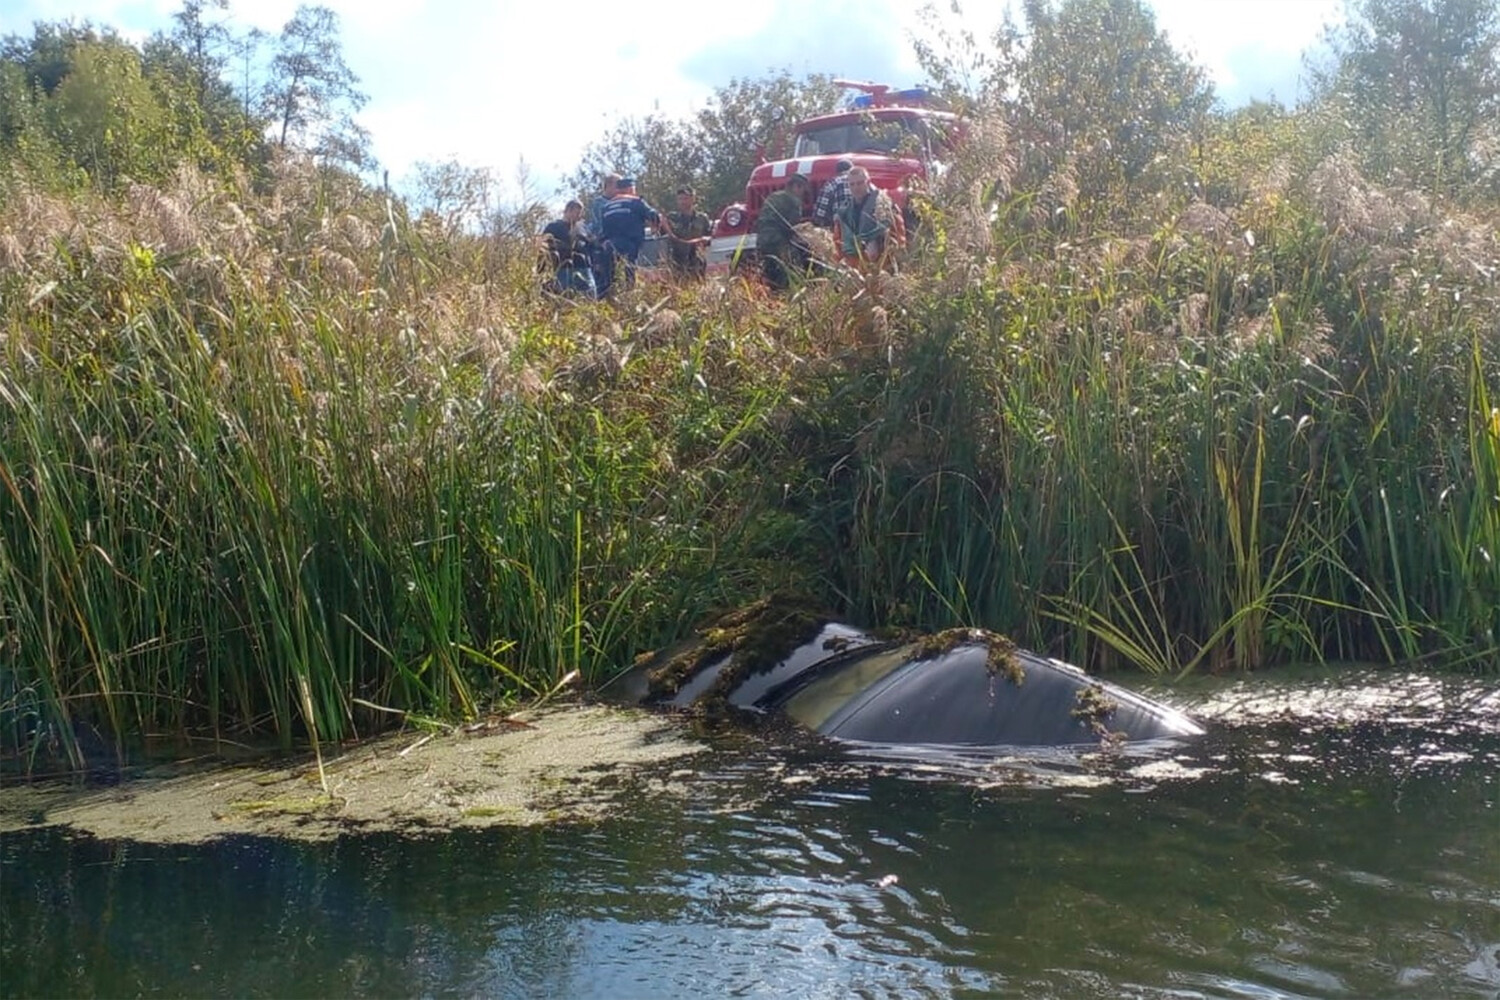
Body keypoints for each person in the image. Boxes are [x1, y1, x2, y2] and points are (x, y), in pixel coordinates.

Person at [597, 176, 665, 296]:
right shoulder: (635, 202)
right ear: (630, 189)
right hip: (629, 244)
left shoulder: (606, 207)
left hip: (609, 245)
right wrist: (657, 224)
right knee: (629, 273)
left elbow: (602, 230)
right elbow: (653, 216)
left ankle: (607, 301)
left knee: (609, 277)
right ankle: (630, 300)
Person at [836, 166, 903, 270]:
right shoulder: (845, 211)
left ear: (868, 182)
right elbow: (839, 239)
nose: (856, 187)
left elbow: (898, 232)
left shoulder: (883, 203)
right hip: (854, 265)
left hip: (881, 264)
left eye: (860, 183)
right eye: (852, 184)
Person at [755, 172, 810, 291]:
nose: (802, 193)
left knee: (769, 270)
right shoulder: (794, 201)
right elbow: (792, 227)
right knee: (793, 268)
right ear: (796, 186)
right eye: (802, 189)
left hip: (762, 239)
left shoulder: (774, 196)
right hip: (778, 240)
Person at [541, 200, 597, 298]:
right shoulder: (554, 227)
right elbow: (544, 247)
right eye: (577, 213)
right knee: (565, 297)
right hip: (563, 269)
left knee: (590, 296)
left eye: (580, 213)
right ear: (568, 211)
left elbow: (591, 244)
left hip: (584, 267)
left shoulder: (583, 227)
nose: (579, 216)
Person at [665, 185, 712, 281]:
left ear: (693, 199)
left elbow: (710, 236)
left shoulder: (702, 218)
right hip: (677, 262)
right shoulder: (672, 218)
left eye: (685, 198)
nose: (682, 202)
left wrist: (705, 240)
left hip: (697, 261)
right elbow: (660, 234)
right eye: (680, 199)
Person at [811, 159, 854, 229]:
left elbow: (819, 215)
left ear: (837, 172)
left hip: (839, 232)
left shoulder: (831, 184)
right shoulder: (862, 182)